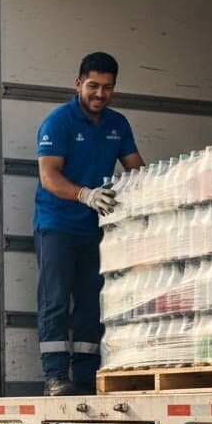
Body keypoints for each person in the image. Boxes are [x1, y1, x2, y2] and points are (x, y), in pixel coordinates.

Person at [34, 52, 144, 396]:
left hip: (96, 229)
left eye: (107, 87)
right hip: (57, 225)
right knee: (55, 300)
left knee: (90, 302)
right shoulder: (59, 121)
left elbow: (138, 171)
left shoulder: (117, 124)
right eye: (93, 85)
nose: (100, 94)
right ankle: (55, 376)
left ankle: (83, 377)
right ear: (78, 83)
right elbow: (49, 176)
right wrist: (85, 195)